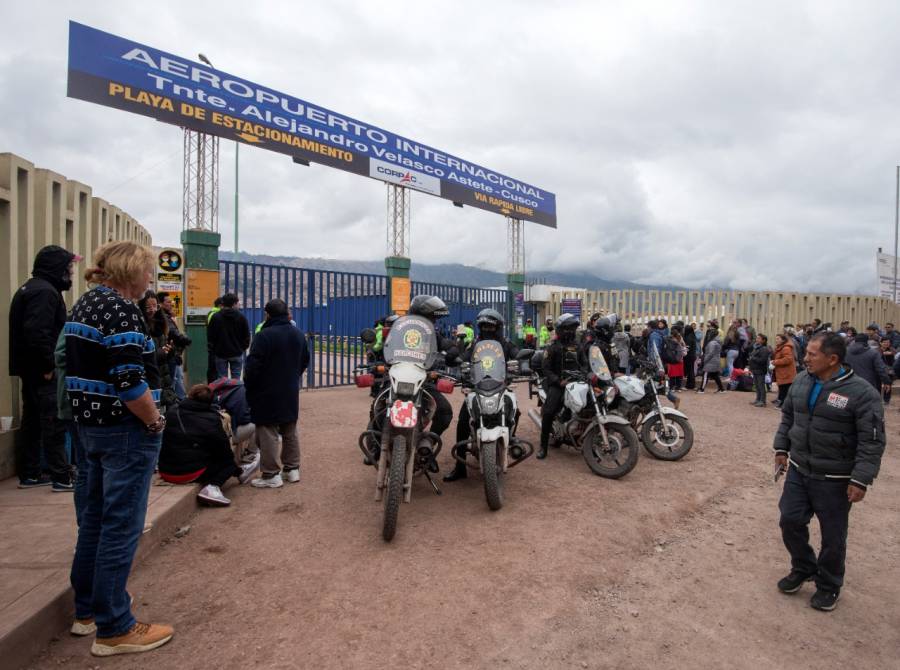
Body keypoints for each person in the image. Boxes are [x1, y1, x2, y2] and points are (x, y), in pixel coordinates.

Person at [65, 241, 174, 655]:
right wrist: (154, 419)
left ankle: (87, 611)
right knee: (121, 525)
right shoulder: (122, 309)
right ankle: (115, 627)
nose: (151, 280)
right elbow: (129, 381)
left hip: (89, 428)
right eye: (148, 271)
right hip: (124, 431)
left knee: (94, 520)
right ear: (132, 270)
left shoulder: (87, 304)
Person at [774, 332, 885, 611]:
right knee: (790, 520)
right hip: (800, 470)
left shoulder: (861, 393)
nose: (805, 358)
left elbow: (872, 441)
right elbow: (789, 416)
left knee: (833, 536)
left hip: (835, 480)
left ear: (832, 359)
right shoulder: (802, 380)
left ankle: (829, 584)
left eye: (812, 354)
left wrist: (861, 479)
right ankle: (804, 567)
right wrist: (781, 449)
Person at [8, 245, 81, 490]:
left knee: (34, 422)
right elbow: (37, 332)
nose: (71, 273)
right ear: (56, 268)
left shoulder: (31, 288)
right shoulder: (45, 293)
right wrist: (48, 365)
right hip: (42, 370)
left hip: (30, 369)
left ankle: (31, 473)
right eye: (68, 267)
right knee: (53, 422)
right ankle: (61, 475)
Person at [444, 308, 518, 482]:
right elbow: (463, 357)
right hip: (478, 388)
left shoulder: (506, 344)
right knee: (463, 421)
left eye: (491, 327)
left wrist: (524, 362)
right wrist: (456, 359)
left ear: (498, 327)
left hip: (500, 387)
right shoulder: (475, 345)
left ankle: (510, 439)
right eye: (484, 326)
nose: (487, 330)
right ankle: (460, 468)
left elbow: (517, 355)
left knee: (515, 411)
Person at [244, 298, 310, 488]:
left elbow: (253, 366)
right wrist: (292, 376)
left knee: (268, 430)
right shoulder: (298, 334)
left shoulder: (264, 336)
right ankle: (292, 470)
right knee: (290, 428)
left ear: (268, 314)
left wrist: (250, 386)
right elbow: (305, 359)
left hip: (266, 390)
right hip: (289, 389)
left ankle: (271, 474)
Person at [158, 384, 259, 506]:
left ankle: (241, 473)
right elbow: (225, 453)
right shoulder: (211, 418)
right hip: (189, 473)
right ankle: (213, 487)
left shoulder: (172, 411)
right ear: (211, 401)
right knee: (228, 463)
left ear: (190, 395)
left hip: (165, 470)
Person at [538, 313, 584, 459]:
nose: (571, 331)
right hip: (558, 384)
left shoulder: (577, 346)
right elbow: (545, 368)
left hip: (577, 383)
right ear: (560, 329)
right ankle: (543, 447)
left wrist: (587, 374)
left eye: (573, 328)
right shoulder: (553, 347)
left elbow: (585, 364)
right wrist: (558, 381)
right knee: (549, 413)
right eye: (568, 328)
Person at [137, 292, 178, 415]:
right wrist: (159, 354)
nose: (152, 310)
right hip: (148, 381)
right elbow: (139, 356)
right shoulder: (139, 326)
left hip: (162, 377)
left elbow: (165, 351)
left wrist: (170, 350)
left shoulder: (161, 323)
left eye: (155, 306)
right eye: (148, 307)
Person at [209, 376, 257, 460]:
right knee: (258, 423)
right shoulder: (243, 390)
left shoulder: (213, 389)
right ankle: (250, 454)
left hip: (207, 437)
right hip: (223, 437)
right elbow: (243, 419)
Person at [207, 293, 251, 379]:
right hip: (236, 353)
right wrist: (242, 348)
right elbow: (246, 336)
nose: (239, 305)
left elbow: (210, 336)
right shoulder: (241, 317)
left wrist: (214, 349)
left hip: (220, 353)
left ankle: (223, 393)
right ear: (234, 304)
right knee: (236, 380)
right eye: (238, 303)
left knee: (222, 380)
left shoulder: (216, 317)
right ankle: (235, 392)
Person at [157, 291, 190, 399]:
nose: (171, 303)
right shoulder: (164, 317)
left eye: (171, 301)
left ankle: (181, 401)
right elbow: (173, 333)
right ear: (160, 304)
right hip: (170, 353)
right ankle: (174, 403)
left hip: (174, 353)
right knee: (173, 381)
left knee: (177, 378)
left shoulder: (169, 316)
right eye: (168, 302)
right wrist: (185, 340)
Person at [772, 333, 797, 408]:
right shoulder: (780, 347)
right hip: (783, 372)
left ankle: (783, 405)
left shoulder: (786, 348)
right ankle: (782, 404)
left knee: (785, 389)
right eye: (776, 339)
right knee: (783, 389)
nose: (776, 340)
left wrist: (775, 362)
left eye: (778, 339)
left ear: (783, 340)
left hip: (786, 373)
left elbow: (788, 359)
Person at [697, 325, 725, 393]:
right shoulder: (717, 342)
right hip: (715, 361)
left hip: (710, 361)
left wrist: (704, 360)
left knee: (705, 375)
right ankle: (721, 389)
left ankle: (702, 389)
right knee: (715, 376)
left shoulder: (712, 343)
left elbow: (710, 353)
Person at [747, 334, 773, 407]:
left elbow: (763, 360)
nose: (757, 339)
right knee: (757, 386)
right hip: (755, 369)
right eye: (757, 338)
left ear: (763, 340)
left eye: (759, 338)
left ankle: (762, 401)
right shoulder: (756, 347)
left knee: (761, 386)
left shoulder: (764, 349)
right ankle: (758, 399)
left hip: (760, 370)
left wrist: (753, 358)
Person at [206, 296, 224, 382]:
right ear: (220, 305)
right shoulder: (214, 314)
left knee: (214, 369)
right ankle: (212, 388)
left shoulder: (212, 313)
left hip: (214, 346)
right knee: (213, 369)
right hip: (215, 346)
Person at [879, 338, 895, 404]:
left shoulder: (891, 350)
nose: (886, 344)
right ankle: (877, 399)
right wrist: (882, 354)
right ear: (881, 343)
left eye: (888, 342)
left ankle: (886, 399)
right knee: (878, 385)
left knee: (888, 385)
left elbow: (895, 353)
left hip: (889, 371)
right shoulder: (878, 350)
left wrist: (891, 353)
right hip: (879, 370)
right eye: (884, 342)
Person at [683, 322, 698, 389]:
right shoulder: (692, 336)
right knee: (691, 370)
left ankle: (690, 385)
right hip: (692, 356)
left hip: (689, 356)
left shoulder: (688, 337)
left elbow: (687, 348)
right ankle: (690, 385)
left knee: (690, 371)